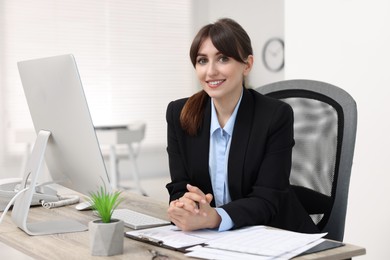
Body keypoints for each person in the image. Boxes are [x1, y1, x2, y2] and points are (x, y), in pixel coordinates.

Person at [165, 18, 318, 233]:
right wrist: (184, 206)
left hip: (277, 235)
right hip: (214, 241)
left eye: (223, 59)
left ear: (247, 65)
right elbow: (180, 187)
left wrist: (215, 217)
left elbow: (267, 198)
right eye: (202, 60)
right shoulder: (179, 114)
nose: (210, 72)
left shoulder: (275, 116)